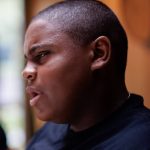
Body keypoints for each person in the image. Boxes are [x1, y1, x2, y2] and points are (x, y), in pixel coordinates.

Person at [22, 0, 150, 149]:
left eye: (42, 54)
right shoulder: (46, 134)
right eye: (27, 61)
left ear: (98, 53)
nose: (26, 72)